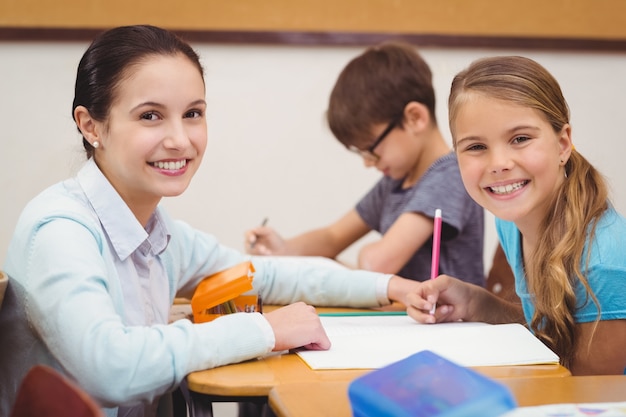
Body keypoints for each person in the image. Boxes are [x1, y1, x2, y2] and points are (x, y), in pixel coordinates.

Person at [0, 25, 424, 417]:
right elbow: (110, 367)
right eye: (150, 115)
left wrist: (388, 287)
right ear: (90, 125)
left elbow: (264, 275)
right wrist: (263, 330)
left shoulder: (159, 234)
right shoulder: (60, 231)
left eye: (193, 113)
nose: (180, 140)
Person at [407, 55, 626, 375]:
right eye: (476, 147)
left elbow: (591, 396)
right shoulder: (511, 223)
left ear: (563, 144)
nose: (498, 163)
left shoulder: (601, 263)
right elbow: (550, 334)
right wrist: (474, 303)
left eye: (520, 139)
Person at [245, 42, 485, 285]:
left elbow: (378, 264)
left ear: (415, 118)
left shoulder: (450, 176)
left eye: (372, 149)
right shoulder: (395, 182)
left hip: (455, 322)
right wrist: (282, 250)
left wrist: (342, 264)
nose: (368, 164)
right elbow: (332, 236)